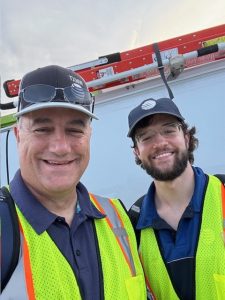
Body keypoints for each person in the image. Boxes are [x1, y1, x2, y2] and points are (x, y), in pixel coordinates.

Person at [1, 65, 146, 299]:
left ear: (89, 136)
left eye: (74, 130)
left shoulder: (118, 216)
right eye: (42, 129)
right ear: (18, 136)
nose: (60, 147)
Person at [127, 97, 225, 300]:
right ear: (137, 152)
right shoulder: (132, 223)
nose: (160, 143)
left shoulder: (223, 192)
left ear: (186, 138)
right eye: (146, 137)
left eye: (169, 130)